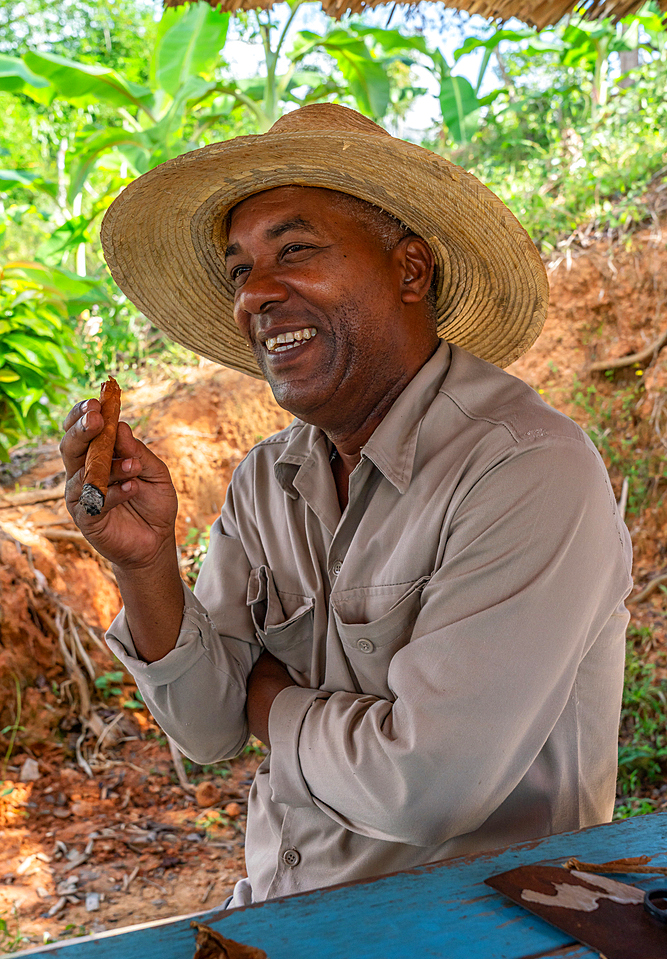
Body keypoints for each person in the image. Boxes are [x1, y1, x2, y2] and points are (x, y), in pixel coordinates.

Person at [61, 103, 632, 909]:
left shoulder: (524, 468)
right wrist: (145, 564)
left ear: (409, 270)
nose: (255, 294)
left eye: (294, 249)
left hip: (480, 942)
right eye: (238, 271)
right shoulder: (267, 480)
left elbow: (426, 788)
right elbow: (204, 730)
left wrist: (266, 697)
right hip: (281, 909)